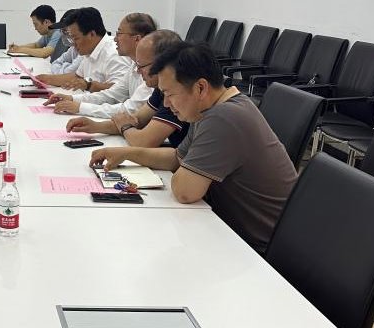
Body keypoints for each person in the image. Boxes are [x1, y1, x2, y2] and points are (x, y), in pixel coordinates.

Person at [89, 42, 297, 252]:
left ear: (200, 88)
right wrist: (126, 154)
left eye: (170, 94)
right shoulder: (213, 109)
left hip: (258, 249)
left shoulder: (224, 117)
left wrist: (181, 169)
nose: (166, 104)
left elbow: (185, 192)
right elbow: (177, 158)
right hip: (231, 229)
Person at [65, 29, 190, 147]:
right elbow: (137, 119)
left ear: (161, 64)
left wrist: (125, 127)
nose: (138, 71)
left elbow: (143, 141)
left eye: (141, 66)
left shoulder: (176, 94)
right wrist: (95, 126)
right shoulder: (160, 90)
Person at [44, 13, 156, 117]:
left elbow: (130, 109)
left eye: (119, 34)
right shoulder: (134, 66)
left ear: (137, 39)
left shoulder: (151, 71)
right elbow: (112, 94)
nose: (115, 39)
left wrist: (80, 107)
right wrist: (72, 99)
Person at [39, 7, 131, 101]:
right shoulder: (89, 50)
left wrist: (88, 87)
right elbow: (77, 77)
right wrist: (45, 79)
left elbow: (120, 93)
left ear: (91, 34)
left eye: (76, 38)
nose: (73, 44)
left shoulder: (114, 54)